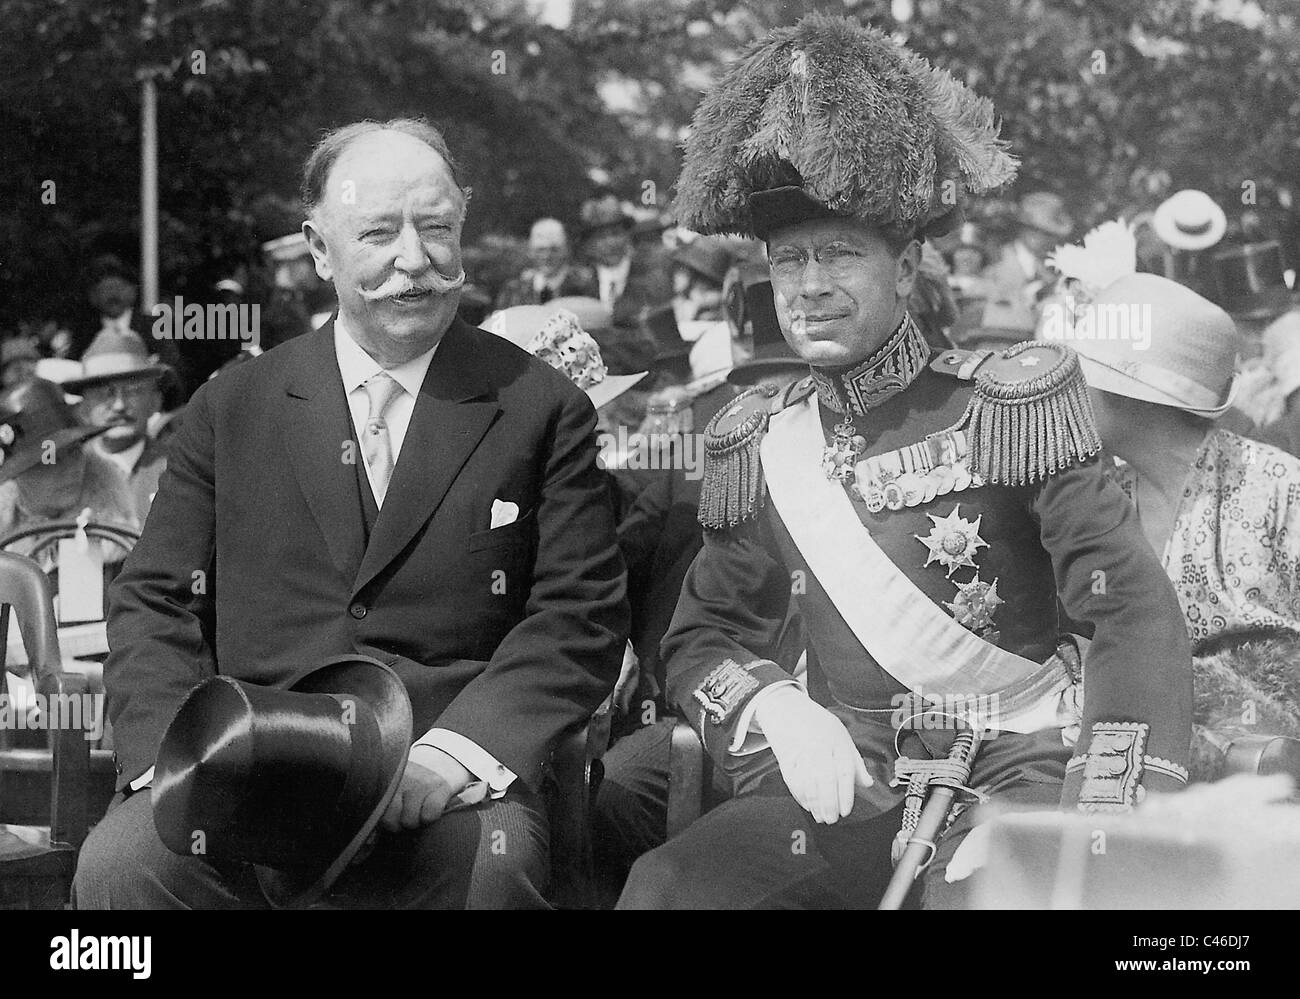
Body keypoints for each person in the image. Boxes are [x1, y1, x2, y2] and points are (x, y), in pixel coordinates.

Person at [616, 15, 1191, 910]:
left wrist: (1092, 817)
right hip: (850, 783)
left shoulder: (1012, 406)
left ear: (908, 263)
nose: (810, 286)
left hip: (1021, 773)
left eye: (840, 254)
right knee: (671, 887)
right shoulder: (759, 441)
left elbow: (1130, 613)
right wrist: (774, 704)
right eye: (789, 261)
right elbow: (700, 637)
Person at [73, 117, 629, 910]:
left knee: (490, 874)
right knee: (120, 870)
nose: (414, 259)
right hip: (252, 771)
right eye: (378, 233)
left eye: (437, 228)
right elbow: (153, 599)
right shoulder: (231, 409)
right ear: (320, 249)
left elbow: (581, 613)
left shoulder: (541, 408)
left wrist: (460, 753)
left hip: (440, 785)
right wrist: (178, 760)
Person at [1075, 273, 1300, 756]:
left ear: (1132, 392)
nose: (1069, 397)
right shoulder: (1102, 498)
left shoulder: (1278, 486)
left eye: (1081, 378)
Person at [0, 378, 139, 567]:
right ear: (17, 474)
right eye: (50, 459)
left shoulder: (120, 547)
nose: (71, 468)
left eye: (74, 451)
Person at [65, 330, 172, 523]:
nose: (119, 405)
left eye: (133, 391)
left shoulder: (177, 469)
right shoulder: (65, 476)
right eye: (105, 393)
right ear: (83, 409)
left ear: (155, 402)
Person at [493, 218, 597, 310]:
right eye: (540, 250)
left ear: (566, 250)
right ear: (530, 252)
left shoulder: (583, 287)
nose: (547, 256)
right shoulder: (514, 290)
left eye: (554, 250)